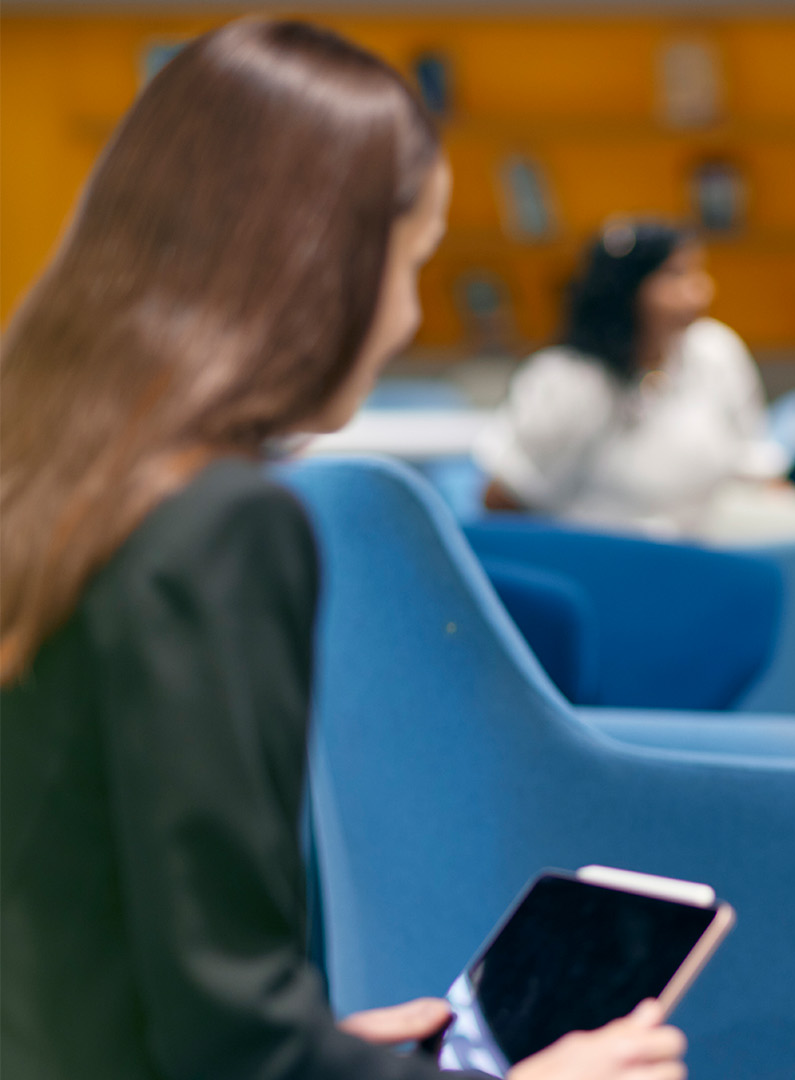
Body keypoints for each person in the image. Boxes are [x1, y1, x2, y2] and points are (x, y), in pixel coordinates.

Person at [0, 20, 686, 1080]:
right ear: (316, 256)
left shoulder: (54, 483)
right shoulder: (224, 529)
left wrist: (332, 1050)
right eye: (409, 261)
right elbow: (234, 1048)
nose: (407, 315)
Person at [475, 221, 791, 535]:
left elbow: (755, 465)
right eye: (675, 275)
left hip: (705, 557)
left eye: (697, 272)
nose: (700, 291)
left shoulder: (714, 352)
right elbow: (504, 498)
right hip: (603, 563)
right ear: (625, 288)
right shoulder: (565, 380)